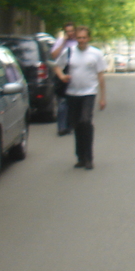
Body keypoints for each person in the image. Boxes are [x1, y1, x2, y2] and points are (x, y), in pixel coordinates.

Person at [54, 26, 106, 170]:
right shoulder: (69, 52)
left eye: (84, 38)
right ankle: (80, 157)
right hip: (72, 93)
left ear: (88, 38)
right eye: (79, 38)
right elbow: (57, 66)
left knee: (85, 121)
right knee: (76, 124)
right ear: (75, 38)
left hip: (89, 93)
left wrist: (103, 97)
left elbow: (101, 76)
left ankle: (89, 158)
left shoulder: (96, 53)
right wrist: (62, 76)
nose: (81, 40)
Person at [50, 22, 78, 136]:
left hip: (75, 73)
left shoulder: (78, 42)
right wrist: (63, 43)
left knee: (72, 102)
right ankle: (61, 127)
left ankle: (70, 125)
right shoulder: (61, 42)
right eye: (67, 31)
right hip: (62, 72)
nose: (70, 33)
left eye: (71, 31)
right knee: (62, 102)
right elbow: (53, 56)